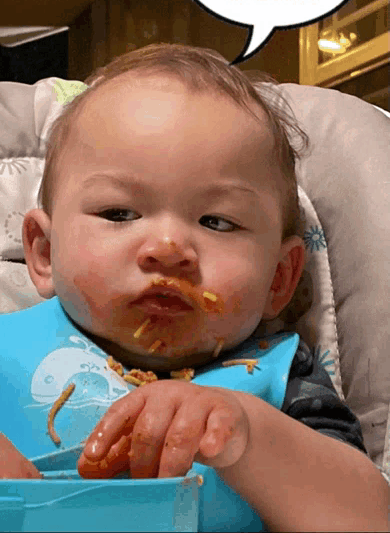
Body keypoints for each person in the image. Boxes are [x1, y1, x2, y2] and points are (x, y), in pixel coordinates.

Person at [0, 44, 387, 531]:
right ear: (43, 253)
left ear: (280, 278)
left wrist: (250, 436)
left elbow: (369, 519)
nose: (166, 248)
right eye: (119, 214)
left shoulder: (284, 379)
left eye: (217, 221)